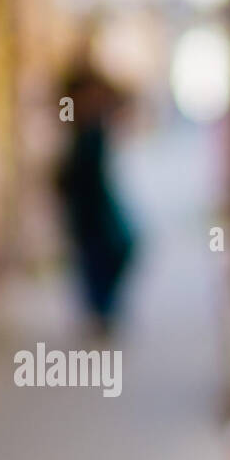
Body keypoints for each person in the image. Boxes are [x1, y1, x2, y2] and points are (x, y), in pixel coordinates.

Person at [53, 58, 137, 337]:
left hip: (95, 204)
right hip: (88, 207)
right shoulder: (82, 131)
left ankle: (102, 312)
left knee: (111, 251)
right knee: (97, 257)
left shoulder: (91, 129)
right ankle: (100, 313)